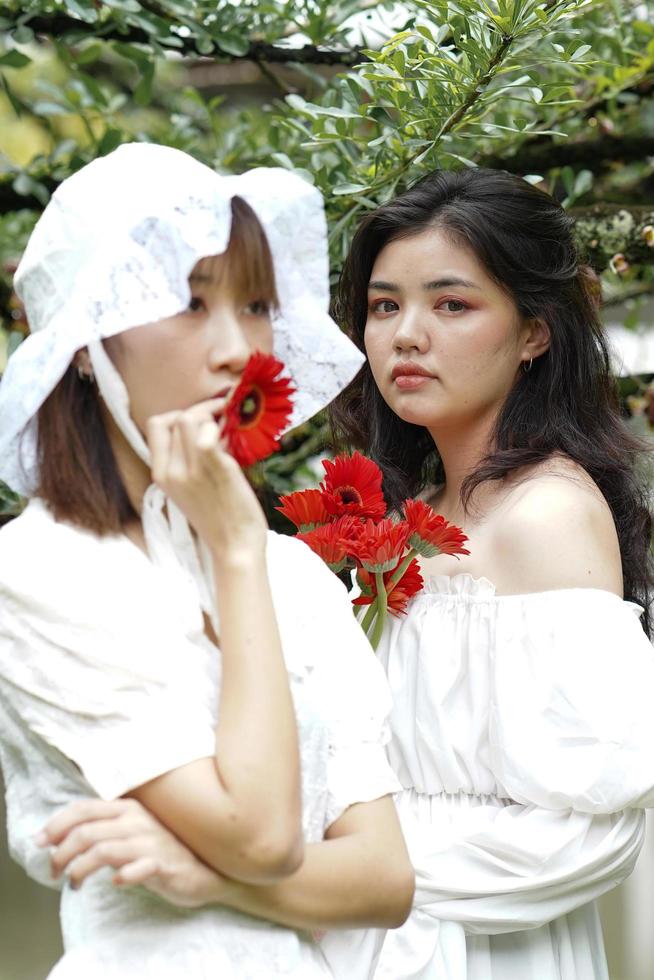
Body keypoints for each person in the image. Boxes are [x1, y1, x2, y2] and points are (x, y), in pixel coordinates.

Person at [32, 167, 654, 980]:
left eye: (452, 303)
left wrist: (328, 871)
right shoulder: (411, 512)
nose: (407, 335)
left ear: (534, 331)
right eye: (386, 305)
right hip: (361, 933)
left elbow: (596, 831)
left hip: (486, 950)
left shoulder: (546, 514)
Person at [0, 143, 414, 980]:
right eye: (188, 303)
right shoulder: (37, 570)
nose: (238, 348)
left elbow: (384, 879)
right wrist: (234, 548)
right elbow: (262, 835)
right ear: (85, 342)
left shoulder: (289, 574)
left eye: (257, 304)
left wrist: (202, 876)